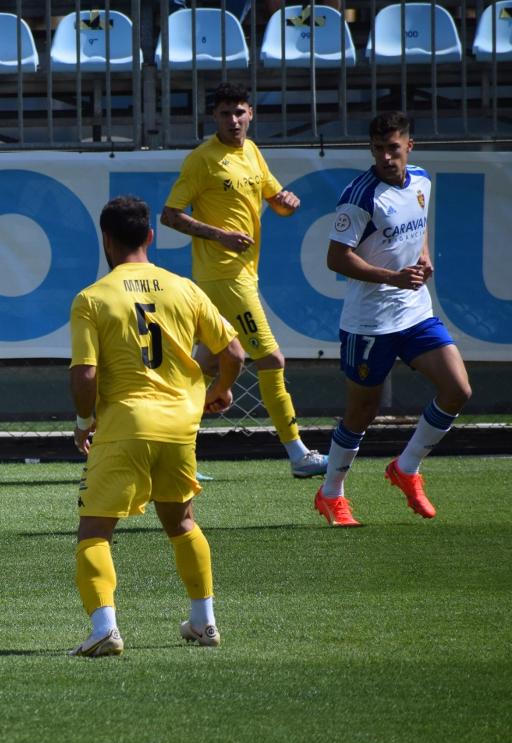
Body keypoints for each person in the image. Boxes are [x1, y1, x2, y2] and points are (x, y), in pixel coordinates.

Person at [68, 195, 245, 658]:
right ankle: (204, 622)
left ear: (105, 239)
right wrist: (220, 390)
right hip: (179, 426)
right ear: (149, 236)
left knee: (94, 531)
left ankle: (105, 628)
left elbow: (85, 373)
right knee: (182, 521)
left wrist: (84, 420)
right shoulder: (183, 287)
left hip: (125, 423)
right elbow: (235, 353)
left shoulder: (92, 297)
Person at [162, 81, 327, 480]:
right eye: (225, 114)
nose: (233, 120)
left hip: (242, 274)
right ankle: (298, 452)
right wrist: (220, 235)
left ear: (251, 113)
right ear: (213, 117)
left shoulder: (252, 152)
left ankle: (172, 455)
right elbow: (170, 214)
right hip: (224, 276)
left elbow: (276, 200)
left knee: (200, 363)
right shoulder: (203, 159)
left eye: (239, 112)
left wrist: (288, 203)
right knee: (270, 359)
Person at [313, 112, 472, 527]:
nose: (386, 156)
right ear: (371, 149)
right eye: (379, 149)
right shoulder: (360, 196)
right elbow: (336, 258)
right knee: (361, 412)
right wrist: (391, 277)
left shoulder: (421, 179)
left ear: (409, 147)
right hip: (369, 322)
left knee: (457, 389)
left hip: (415, 312)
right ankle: (331, 494)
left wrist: (423, 257)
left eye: (394, 148)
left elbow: (415, 225)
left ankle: (406, 467)